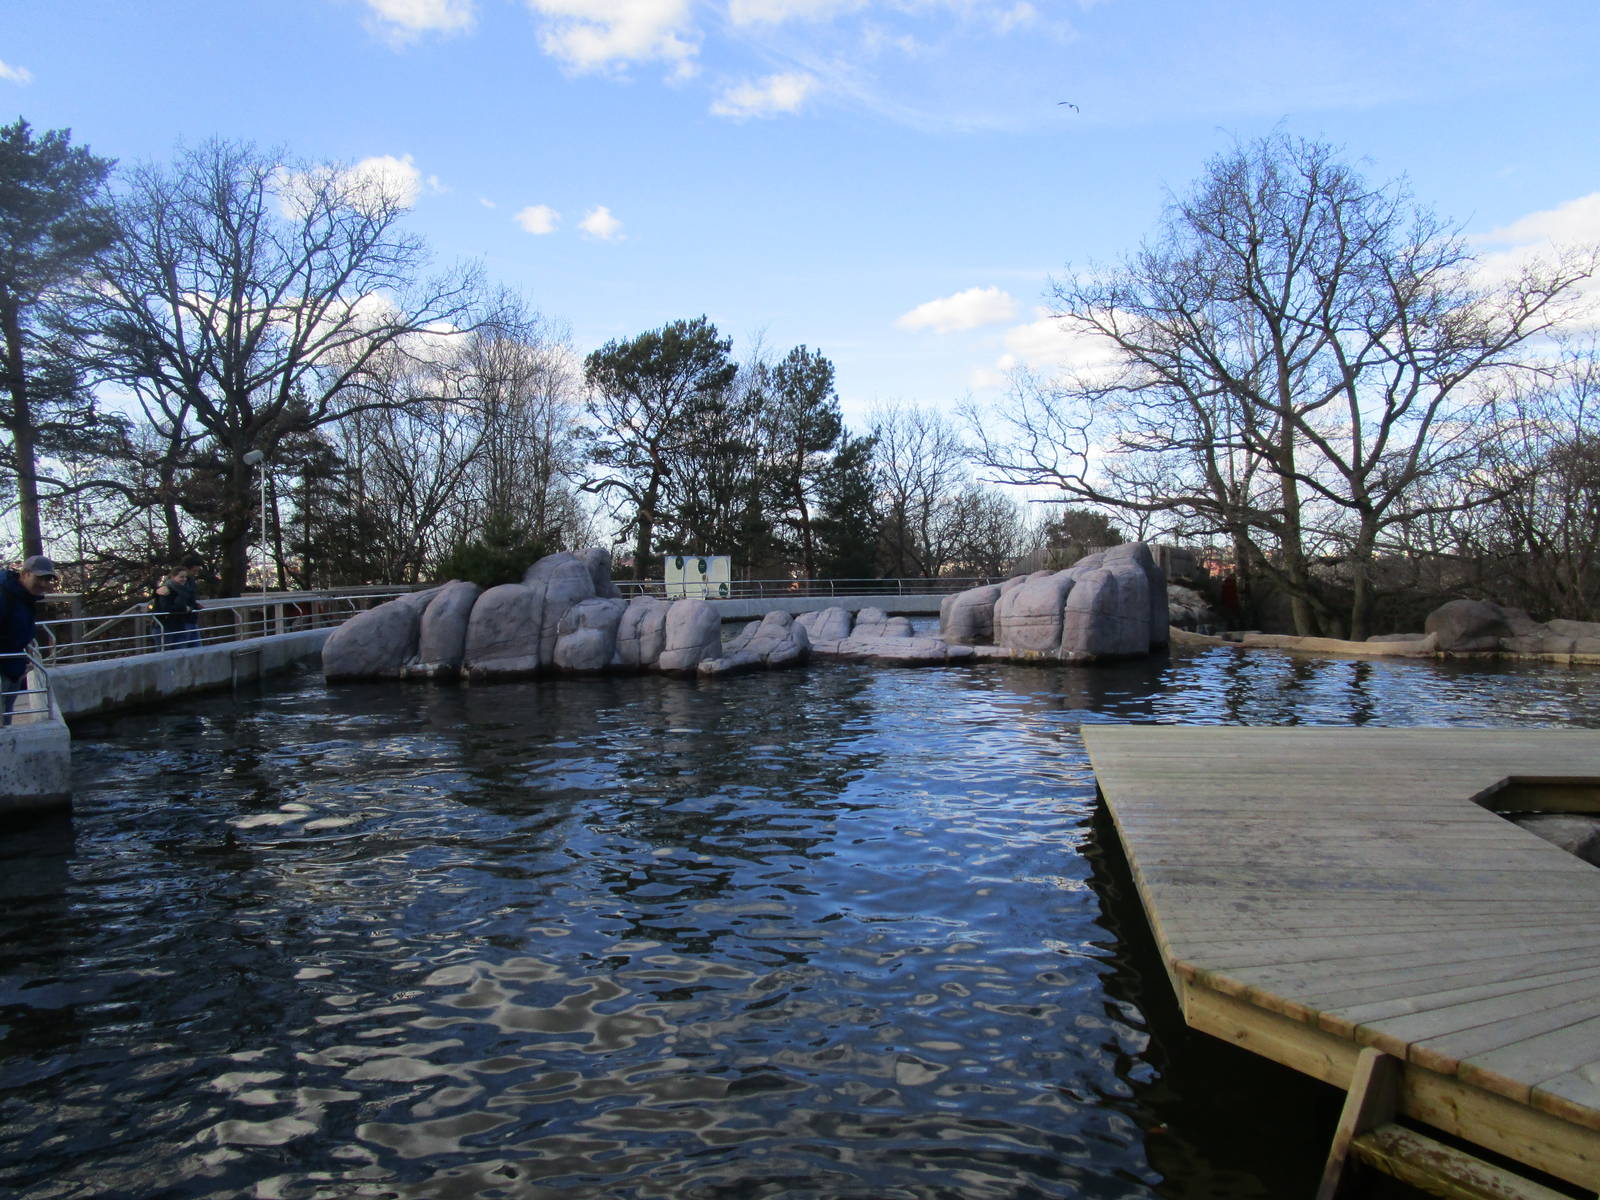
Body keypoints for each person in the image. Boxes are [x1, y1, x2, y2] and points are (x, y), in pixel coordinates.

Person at [1, 555, 59, 724]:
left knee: (5, 717)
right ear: (25, 574)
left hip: (14, 664)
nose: (44, 583)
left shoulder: (23, 597)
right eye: (40, 578)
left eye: (48, 579)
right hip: (4, 664)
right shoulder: (5, 594)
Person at [151, 559, 204, 650]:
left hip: (180, 624)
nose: (184, 579)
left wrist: (194, 606)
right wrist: (185, 608)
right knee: (169, 655)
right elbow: (166, 607)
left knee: (186, 652)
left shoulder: (184, 588)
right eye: (181, 577)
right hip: (167, 626)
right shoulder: (167, 589)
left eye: (185, 577)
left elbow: (188, 601)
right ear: (173, 577)